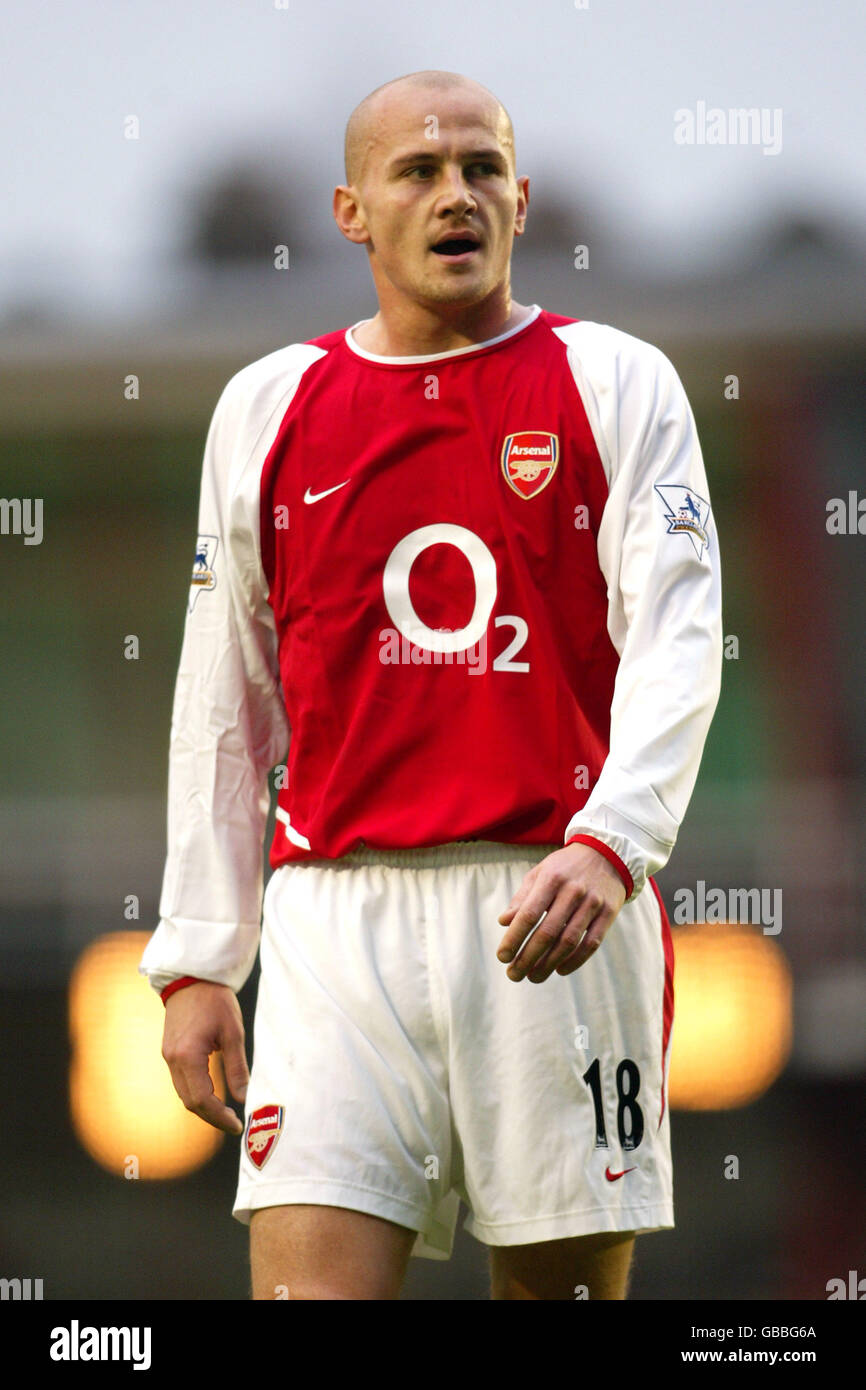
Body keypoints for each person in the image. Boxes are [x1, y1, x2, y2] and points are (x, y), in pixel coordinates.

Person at [140, 69, 723, 1301]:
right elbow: (223, 695)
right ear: (350, 210)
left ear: (521, 195)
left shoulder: (618, 382)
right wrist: (198, 958)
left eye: (479, 168)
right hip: (331, 924)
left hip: (553, 912)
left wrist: (613, 843)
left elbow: (678, 635)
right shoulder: (266, 406)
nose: (455, 194)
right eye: (417, 170)